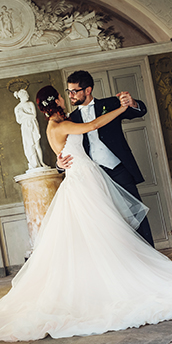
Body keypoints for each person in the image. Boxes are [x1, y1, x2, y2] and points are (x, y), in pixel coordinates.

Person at [0, 86, 172, 342]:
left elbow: (70, 145)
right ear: (55, 101)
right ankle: (111, 282)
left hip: (85, 178)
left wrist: (61, 158)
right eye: (62, 94)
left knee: (99, 232)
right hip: (83, 181)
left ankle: (110, 276)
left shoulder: (55, 125)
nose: (66, 97)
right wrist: (120, 109)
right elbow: (91, 125)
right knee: (101, 231)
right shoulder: (61, 124)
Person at [58, 70, 154, 246]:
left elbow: (140, 111)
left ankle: (152, 258)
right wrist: (59, 165)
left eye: (74, 91)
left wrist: (132, 103)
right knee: (109, 222)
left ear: (88, 90)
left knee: (136, 215)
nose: (70, 95)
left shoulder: (110, 104)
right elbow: (65, 147)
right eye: (69, 91)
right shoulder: (72, 118)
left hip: (119, 170)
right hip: (94, 178)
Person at [14, 88, 45, 170]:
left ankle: (42, 162)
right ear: (22, 96)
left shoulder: (30, 104)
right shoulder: (17, 108)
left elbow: (34, 115)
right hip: (25, 127)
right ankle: (34, 164)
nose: (28, 96)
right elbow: (19, 121)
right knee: (29, 146)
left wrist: (24, 113)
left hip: (33, 124)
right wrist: (25, 115)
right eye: (26, 94)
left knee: (37, 144)